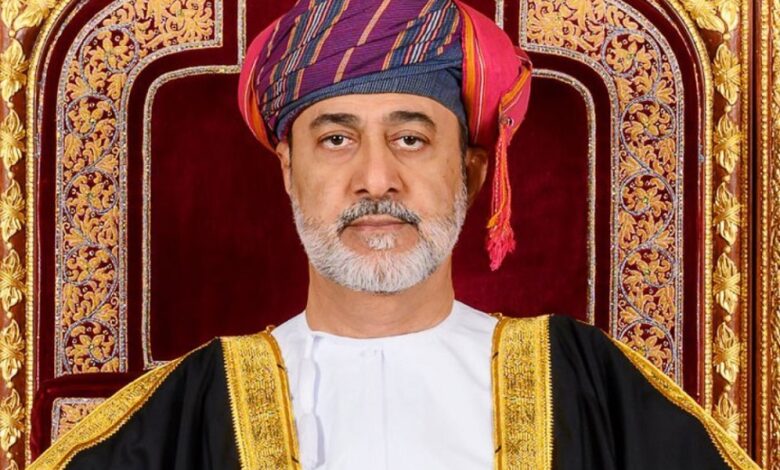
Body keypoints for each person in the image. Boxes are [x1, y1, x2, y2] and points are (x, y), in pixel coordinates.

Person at [30, 0, 760, 469]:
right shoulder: (181, 416)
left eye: (410, 139)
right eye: (336, 140)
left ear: (471, 170)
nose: (375, 179)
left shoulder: (590, 386)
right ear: (288, 170)